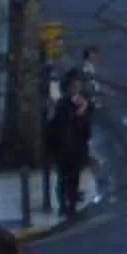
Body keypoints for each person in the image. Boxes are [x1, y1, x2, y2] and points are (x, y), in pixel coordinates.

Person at [46, 76, 95, 217]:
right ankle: (63, 205)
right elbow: (60, 124)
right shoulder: (62, 105)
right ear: (68, 89)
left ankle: (71, 206)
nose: (77, 90)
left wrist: (84, 109)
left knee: (74, 179)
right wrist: (80, 111)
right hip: (63, 149)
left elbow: (86, 128)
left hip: (77, 149)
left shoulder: (83, 104)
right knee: (63, 179)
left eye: (78, 87)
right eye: (74, 87)